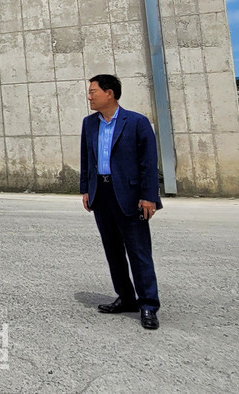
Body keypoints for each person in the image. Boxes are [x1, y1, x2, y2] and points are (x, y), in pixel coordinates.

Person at [80, 74, 163, 330]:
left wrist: (149, 196)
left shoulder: (136, 122)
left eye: (94, 91)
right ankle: (126, 298)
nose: (89, 96)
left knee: (138, 252)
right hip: (101, 193)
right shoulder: (89, 123)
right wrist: (86, 189)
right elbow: (86, 159)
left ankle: (148, 304)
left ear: (110, 93)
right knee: (113, 250)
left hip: (129, 195)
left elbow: (149, 162)